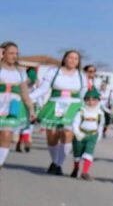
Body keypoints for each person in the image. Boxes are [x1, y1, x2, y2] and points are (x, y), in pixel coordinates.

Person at [33, 50, 88, 175]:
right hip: (55, 104)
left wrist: (85, 109)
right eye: (70, 57)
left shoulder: (81, 75)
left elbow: (84, 94)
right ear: (64, 59)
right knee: (52, 135)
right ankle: (55, 161)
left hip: (73, 106)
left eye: (76, 58)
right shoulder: (54, 72)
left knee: (67, 133)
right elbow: (43, 89)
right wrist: (28, 97)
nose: (73, 60)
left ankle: (58, 165)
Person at [0, 41, 39, 172]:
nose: (14, 56)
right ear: (3, 53)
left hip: (13, 105)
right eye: (11, 53)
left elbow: (24, 93)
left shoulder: (21, 72)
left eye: (16, 53)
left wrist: (31, 109)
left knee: (6, 134)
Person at [70, 88, 105, 179]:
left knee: (88, 153)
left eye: (94, 100)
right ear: (85, 100)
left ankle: (85, 172)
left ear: (98, 101)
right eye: (88, 100)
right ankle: (76, 168)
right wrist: (77, 133)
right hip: (80, 135)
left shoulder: (100, 113)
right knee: (77, 154)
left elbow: (100, 125)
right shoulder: (81, 111)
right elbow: (75, 123)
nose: (91, 102)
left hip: (92, 135)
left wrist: (98, 136)